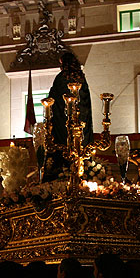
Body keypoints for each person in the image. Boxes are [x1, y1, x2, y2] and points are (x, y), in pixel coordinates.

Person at [44, 52, 93, 181]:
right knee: (80, 145)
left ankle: (61, 172)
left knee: (63, 146)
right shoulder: (81, 78)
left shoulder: (61, 78)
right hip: (81, 122)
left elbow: (53, 98)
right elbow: (86, 102)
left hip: (63, 121)